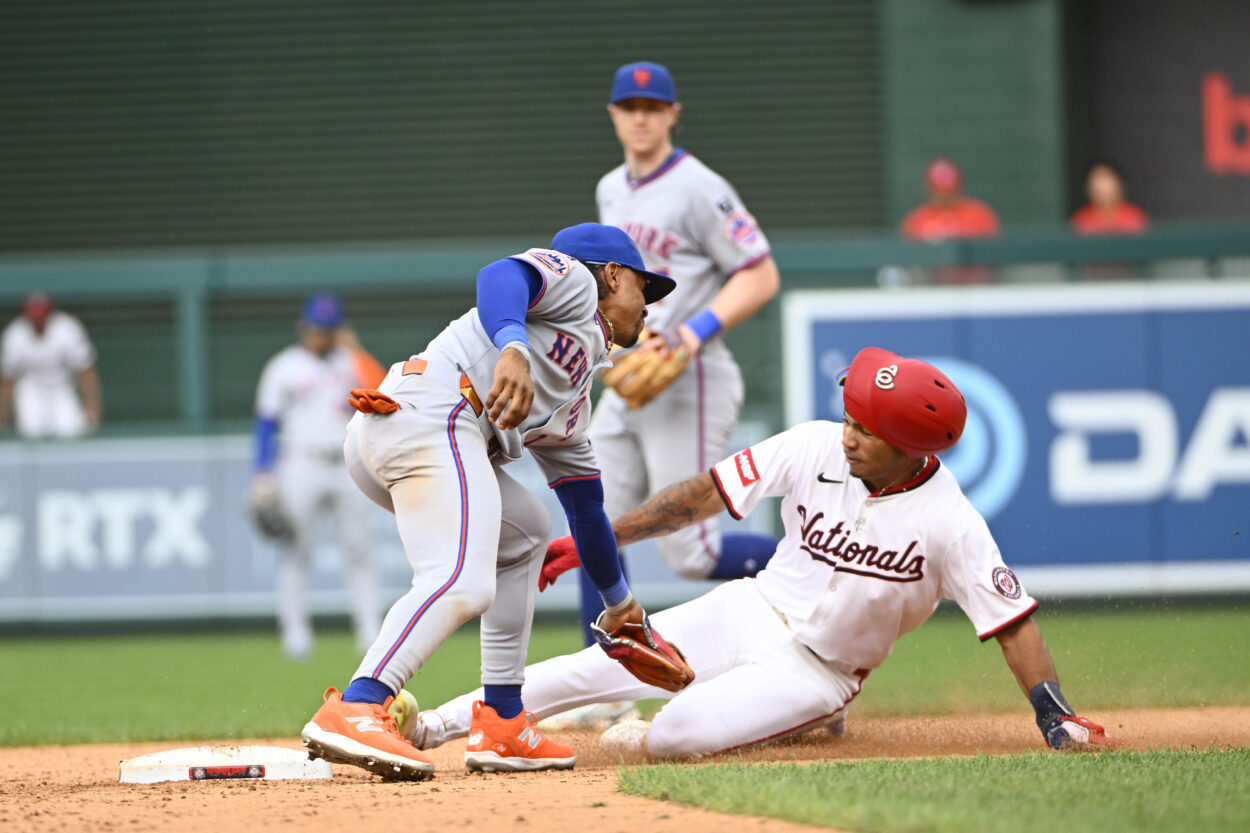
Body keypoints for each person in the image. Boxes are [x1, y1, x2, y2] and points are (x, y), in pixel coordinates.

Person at [406, 347, 1119, 759]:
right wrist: (600, 536)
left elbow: (1011, 621)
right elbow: (701, 496)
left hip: (822, 668)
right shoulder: (814, 444)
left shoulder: (950, 522)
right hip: (750, 606)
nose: (847, 433)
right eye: (849, 415)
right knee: (593, 667)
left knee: (671, 737)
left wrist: (1053, 712)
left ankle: (803, 716)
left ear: (910, 450)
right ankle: (430, 726)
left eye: (866, 429)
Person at [299, 223, 677, 780]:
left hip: (407, 430)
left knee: (526, 529)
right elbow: (501, 276)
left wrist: (622, 609)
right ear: (614, 275)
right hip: (431, 411)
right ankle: (360, 702)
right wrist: (514, 347)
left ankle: (502, 720)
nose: (648, 307)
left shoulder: (573, 401)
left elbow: (588, 512)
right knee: (461, 578)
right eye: (645, 288)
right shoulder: (576, 282)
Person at [569, 61, 781, 706]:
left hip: (691, 377)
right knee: (594, 526)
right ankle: (606, 690)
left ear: (672, 114)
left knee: (690, 552)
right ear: (613, 114)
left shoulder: (699, 187)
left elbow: (759, 273)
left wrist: (691, 334)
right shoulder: (612, 188)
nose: (640, 116)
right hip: (631, 381)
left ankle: (821, 571)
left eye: (652, 106)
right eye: (629, 105)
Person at [250, 293, 389, 659]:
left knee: (358, 549)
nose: (320, 334)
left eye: (327, 329)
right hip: (301, 461)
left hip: (347, 462)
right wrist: (262, 474)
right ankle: (295, 634)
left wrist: (355, 350)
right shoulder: (283, 366)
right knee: (296, 549)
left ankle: (370, 633)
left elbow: (382, 391)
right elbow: (265, 424)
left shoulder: (351, 362)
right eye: (315, 327)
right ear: (303, 326)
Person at [0, 293, 102, 438]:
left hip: (61, 391)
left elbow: (86, 371)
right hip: (31, 392)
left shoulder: (67, 329)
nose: (38, 321)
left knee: (70, 431)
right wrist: (3, 416)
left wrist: (92, 407)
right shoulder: (15, 335)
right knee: (31, 434)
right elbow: (7, 380)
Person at [900, 158, 1001, 243]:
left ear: (959, 186)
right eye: (938, 190)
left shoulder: (979, 215)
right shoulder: (917, 220)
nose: (944, 195)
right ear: (929, 188)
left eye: (949, 190)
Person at [1069, 160, 1149, 236]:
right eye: (1097, 180)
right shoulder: (1081, 220)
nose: (1102, 187)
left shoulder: (1134, 217)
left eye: (1107, 179)